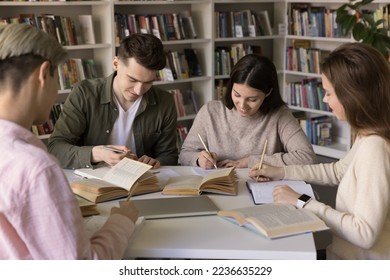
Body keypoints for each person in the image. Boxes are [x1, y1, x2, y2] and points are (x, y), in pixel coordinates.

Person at [0, 23, 139, 259]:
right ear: (44, 74)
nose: (56, 93)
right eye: (57, 79)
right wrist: (122, 221)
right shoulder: (35, 167)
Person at [250, 42, 390, 260]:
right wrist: (280, 172)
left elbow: (364, 234)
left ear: (352, 96)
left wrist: (301, 201)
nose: (324, 99)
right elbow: (338, 171)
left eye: (328, 93)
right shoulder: (368, 133)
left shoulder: (375, 147)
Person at [48, 33, 178, 169]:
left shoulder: (165, 101)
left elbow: (169, 155)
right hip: (92, 183)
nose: (139, 91)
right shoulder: (84, 94)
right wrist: (97, 154)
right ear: (116, 63)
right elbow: (55, 149)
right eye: (132, 80)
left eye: (148, 83)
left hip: (142, 185)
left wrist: (157, 162)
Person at [179, 54, 317, 169]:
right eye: (237, 95)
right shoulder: (210, 112)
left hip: (261, 193)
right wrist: (198, 159)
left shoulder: (279, 115)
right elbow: (184, 154)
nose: (242, 106)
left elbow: (307, 157)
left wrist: (250, 161)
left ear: (268, 92)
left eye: (252, 99)